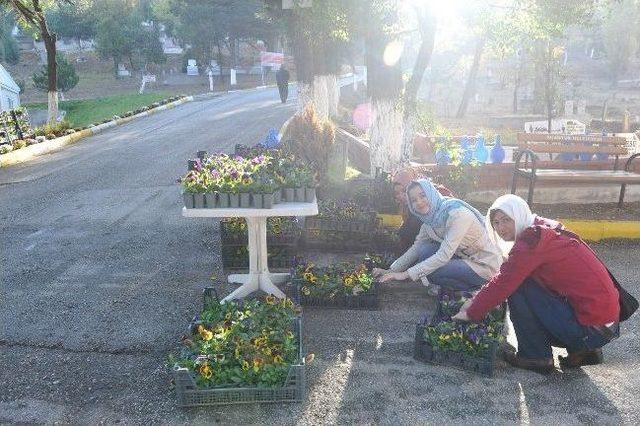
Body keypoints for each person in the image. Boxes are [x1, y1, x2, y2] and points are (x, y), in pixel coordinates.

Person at [452, 194, 620, 374]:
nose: (500, 228)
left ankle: (535, 357)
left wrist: (471, 311)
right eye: (496, 222)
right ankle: (584, 352)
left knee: (518, 286)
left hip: (591, 328)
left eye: (506, 220)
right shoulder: (542, 227)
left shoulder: (532, 241)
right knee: (527, 281)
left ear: (519, 215)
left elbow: (503, 282)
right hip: (605, 324)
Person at [373, 179, 502, 295]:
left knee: (430, 272)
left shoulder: (457, 214)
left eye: (423, 196)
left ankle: (481, 289)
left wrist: (404, 275)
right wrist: (390, 270)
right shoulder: (429, 221)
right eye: (413, 200)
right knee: (424, 250)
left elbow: (443, 256)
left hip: (484, 264)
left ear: (431, 194)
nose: (419, 202)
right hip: (465, 257)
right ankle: (458, 286)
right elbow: (416, 248)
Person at [391, 168, 454, 255]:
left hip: (451, 248)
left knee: (426, 251)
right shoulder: (409, 206)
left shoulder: (437, 196)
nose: (401, 196)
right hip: (433, 248)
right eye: (397, 193)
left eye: (404, 190)